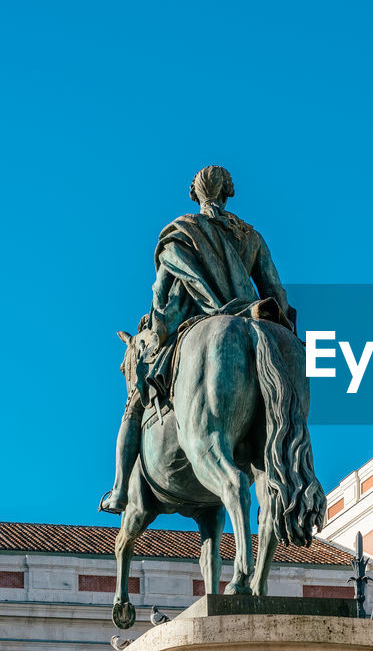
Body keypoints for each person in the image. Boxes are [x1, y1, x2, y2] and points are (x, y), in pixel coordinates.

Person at [99, 165, 296, 515]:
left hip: (192, 325)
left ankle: (118, 489)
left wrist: (155, 325)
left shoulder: (181, 232)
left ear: (195, 193)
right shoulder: (251, 236)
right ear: (227, 193)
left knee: (133, 404)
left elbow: (161, 292)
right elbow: (274, 293)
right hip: (250, 316)